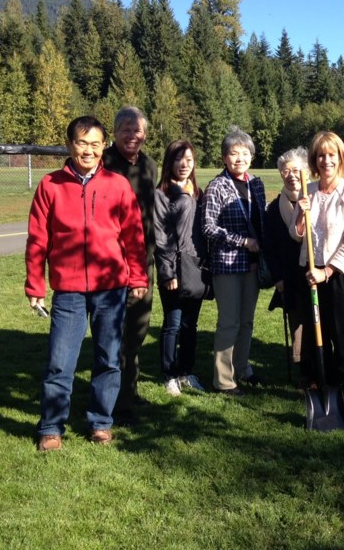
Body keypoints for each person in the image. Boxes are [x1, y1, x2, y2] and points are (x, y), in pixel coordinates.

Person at [26, 116, 148, 451]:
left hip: (111, 288)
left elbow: (134, 237)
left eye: (95, 144)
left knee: (109, 358)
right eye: (82, 143)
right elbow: (38, 241)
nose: (89, 150)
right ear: (69, 146)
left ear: (103, 146)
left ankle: (100, 422)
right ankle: (51, 426)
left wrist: (137, 276)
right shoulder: (50, 186)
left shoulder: (117, 185)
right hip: (68, 290)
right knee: (60, 360)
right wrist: (35, 286)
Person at [289, 132, 344, 391]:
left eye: (331, 155)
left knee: (340, 335)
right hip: (309, 271)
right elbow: (295, 234)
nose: (326, 160)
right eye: (321, 155)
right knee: (313, 332)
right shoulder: (307, 191)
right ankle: (318, 380)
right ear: (314, 160)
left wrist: (327, 271)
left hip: (341, 275)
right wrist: (301, 213)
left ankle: (341, 388)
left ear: (340, 157)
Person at [101, 106, 157, 425]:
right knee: (115, 334)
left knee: (137, 329)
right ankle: (117, 405)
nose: (132, 135)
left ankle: (129, 391)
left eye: (137, 130)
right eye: (125, 129)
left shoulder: (149, 164)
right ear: (115, 132)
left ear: (145, 134)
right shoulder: (104, 163)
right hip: (111, 262)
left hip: (142, 261)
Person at [201, 127, 267, 396]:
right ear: (224, 158)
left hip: (253, 265)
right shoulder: (217, 186)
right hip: (227, 265)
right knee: (229, 322)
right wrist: (242, 241)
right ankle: (224, 380)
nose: (240, 158)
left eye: (245, 153)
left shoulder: (257, 185)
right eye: (233, 153)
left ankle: (242, 367)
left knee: (247, 321)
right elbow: (207, 227)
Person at [154, 140, 207, 397]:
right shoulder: (162, 193)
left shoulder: (198, 191)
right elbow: (160, 237)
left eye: (188, 159)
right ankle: (170, 374)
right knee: (173, 323)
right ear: (169, 162)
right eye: (178, 159)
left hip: (195, 266)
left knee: (190, 325)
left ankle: (186, 371)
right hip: (174, 268)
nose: (184, 164)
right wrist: (167, 272)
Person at [263, 147, 309, 384]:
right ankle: (302, 373)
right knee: (298, 327)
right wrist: (278, 278)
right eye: (285, 170)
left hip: (316, 273)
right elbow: (269, 248)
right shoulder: (273, 209)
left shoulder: (317, 199)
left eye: (296, 170)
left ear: (306, 171)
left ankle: (322, 369)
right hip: (289, 277)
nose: (291, 175)